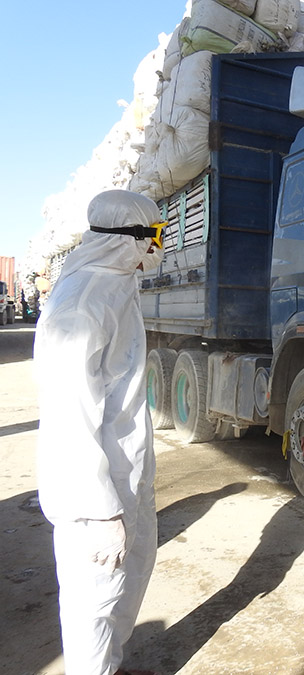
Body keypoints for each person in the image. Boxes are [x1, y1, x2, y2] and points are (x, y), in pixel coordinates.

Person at [34, 189, 166, 675]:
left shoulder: (117, 285)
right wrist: (102, 510)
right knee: (94, 602)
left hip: (124, 478)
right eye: (153, 236)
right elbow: (70, 417)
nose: (158, 248)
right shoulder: (83, 306)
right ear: (126, 240)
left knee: (125, 585)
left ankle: (111, 666)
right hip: (94, 495)